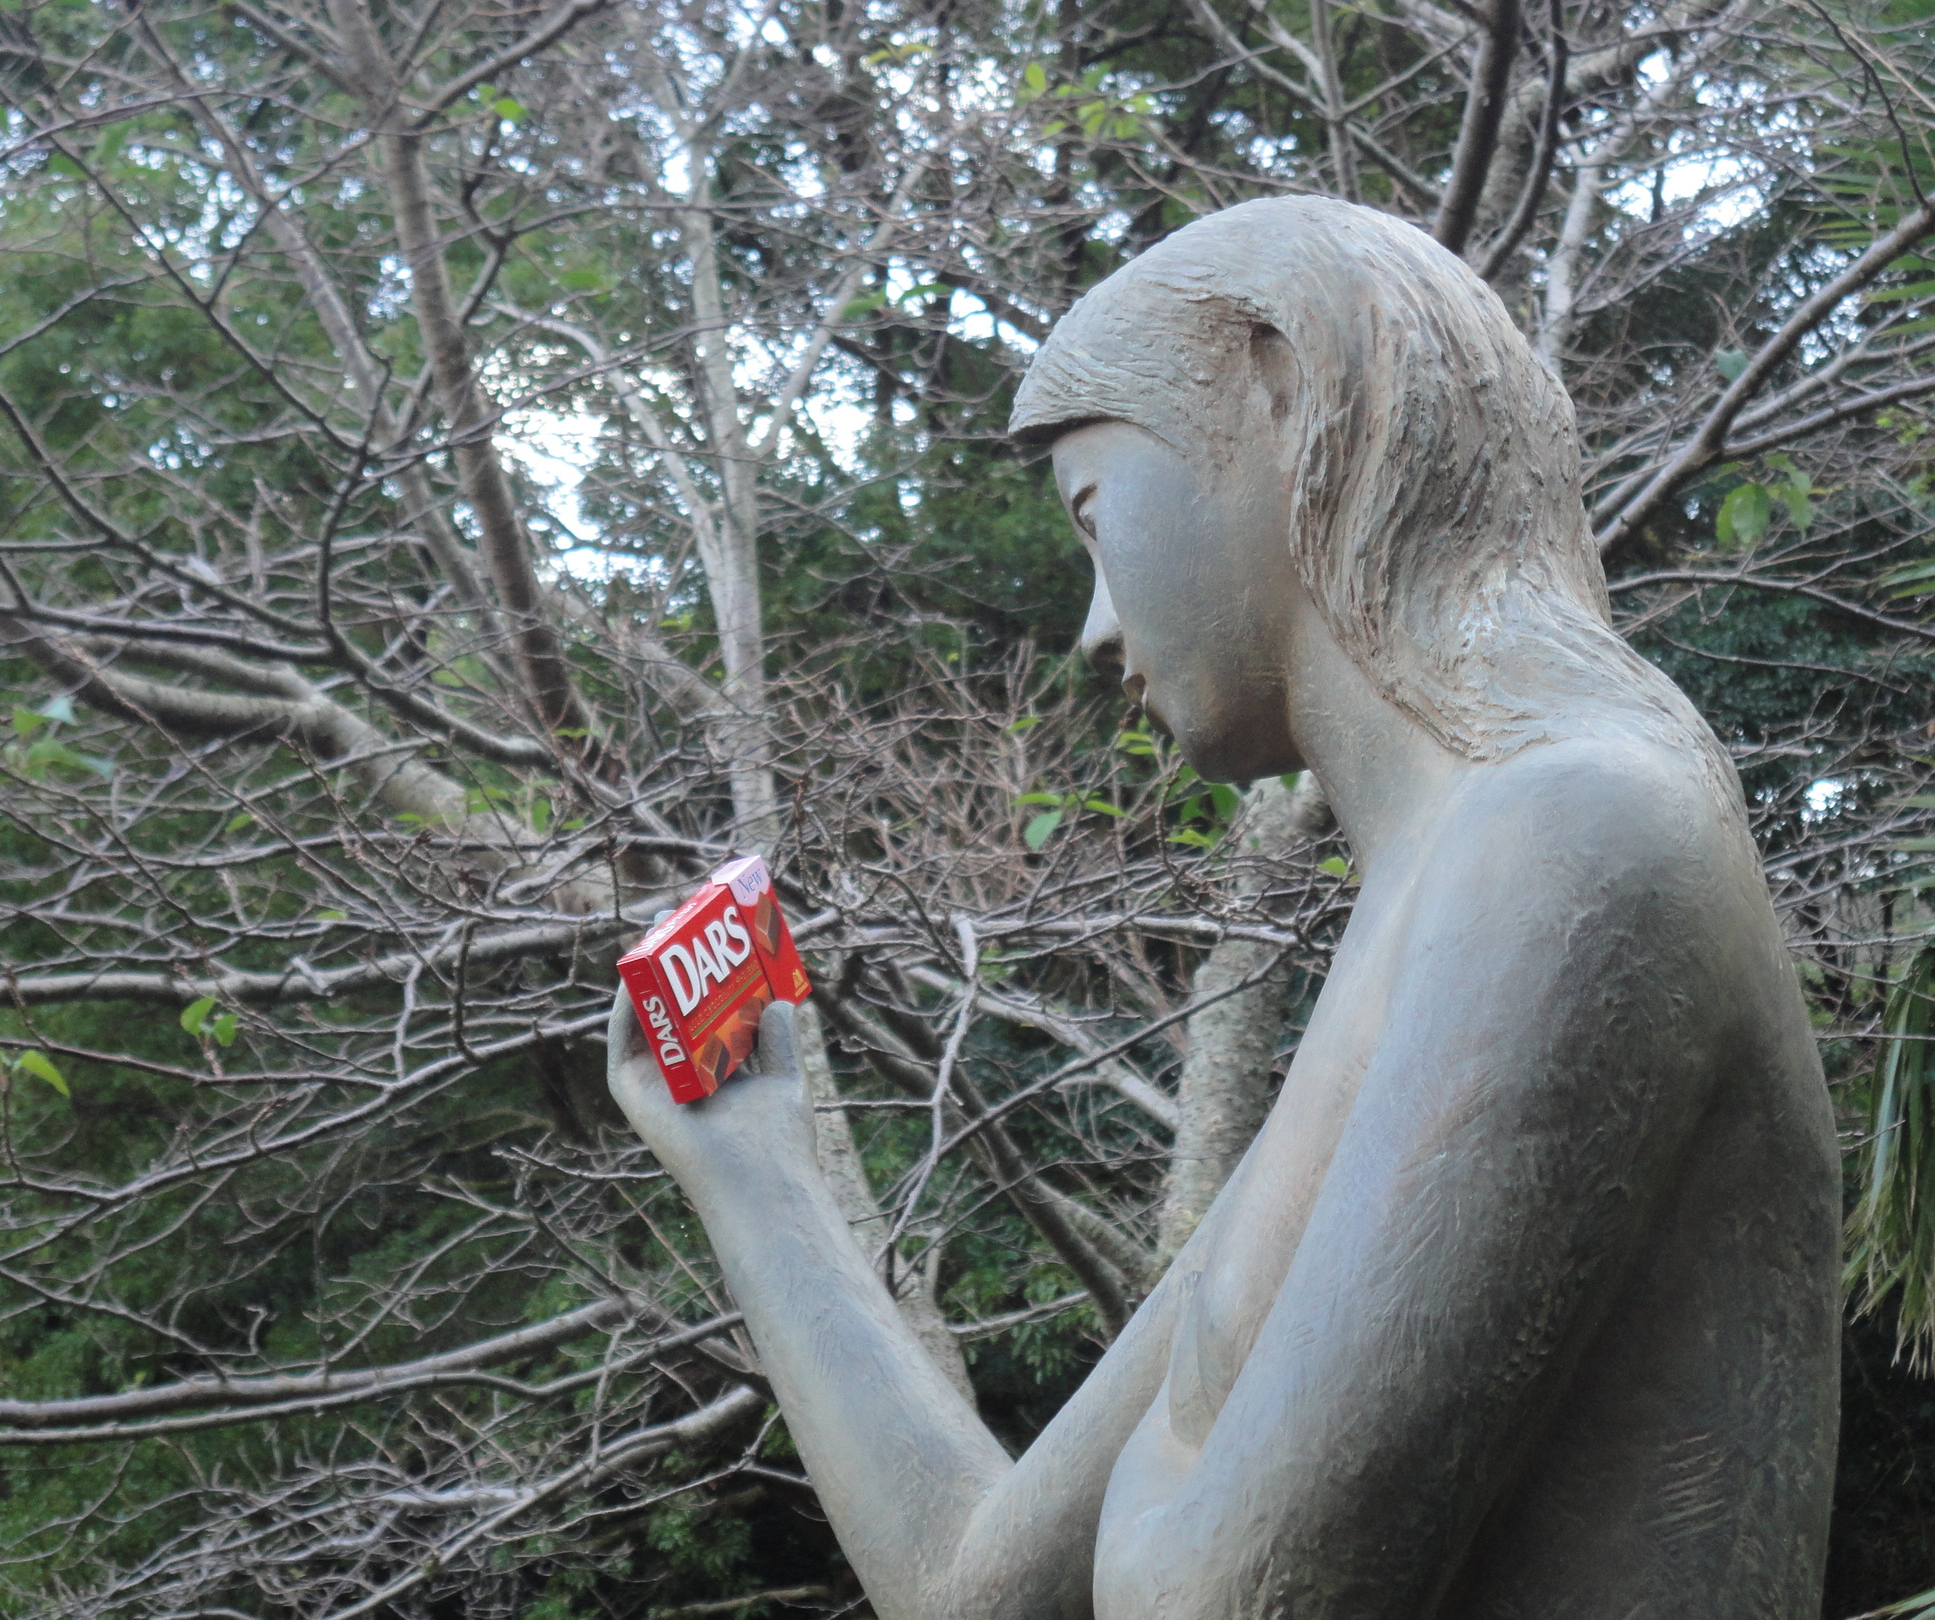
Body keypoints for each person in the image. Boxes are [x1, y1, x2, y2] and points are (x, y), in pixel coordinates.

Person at [607, 196, 1839, 1620]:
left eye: (1094, 517)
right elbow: (979, 1594)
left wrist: (1182, 1462)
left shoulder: (1579, 831)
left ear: (1273, 385)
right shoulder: (1443, 897)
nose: (1096, 629)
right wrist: (754, 1166)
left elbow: (1239, 1600)